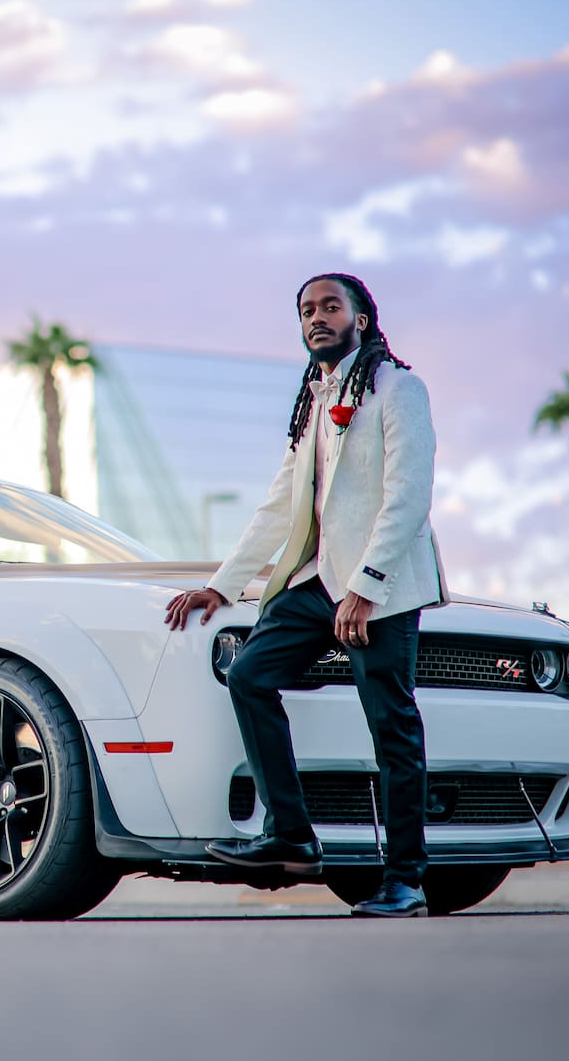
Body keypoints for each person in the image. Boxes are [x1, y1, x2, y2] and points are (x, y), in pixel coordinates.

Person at [165, 272, 447, 918]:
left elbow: (407, 497)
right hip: (314, 582)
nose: (316, 318)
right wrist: (220, 585)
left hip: (379, 589)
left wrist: (366, 588)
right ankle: (290, 834)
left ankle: (405, 878)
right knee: (250, 676)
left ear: (363, 319)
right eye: (306, 311)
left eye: (329, 307)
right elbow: (277, 507)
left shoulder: (399, 390)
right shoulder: (314, 401)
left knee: (392, 727)